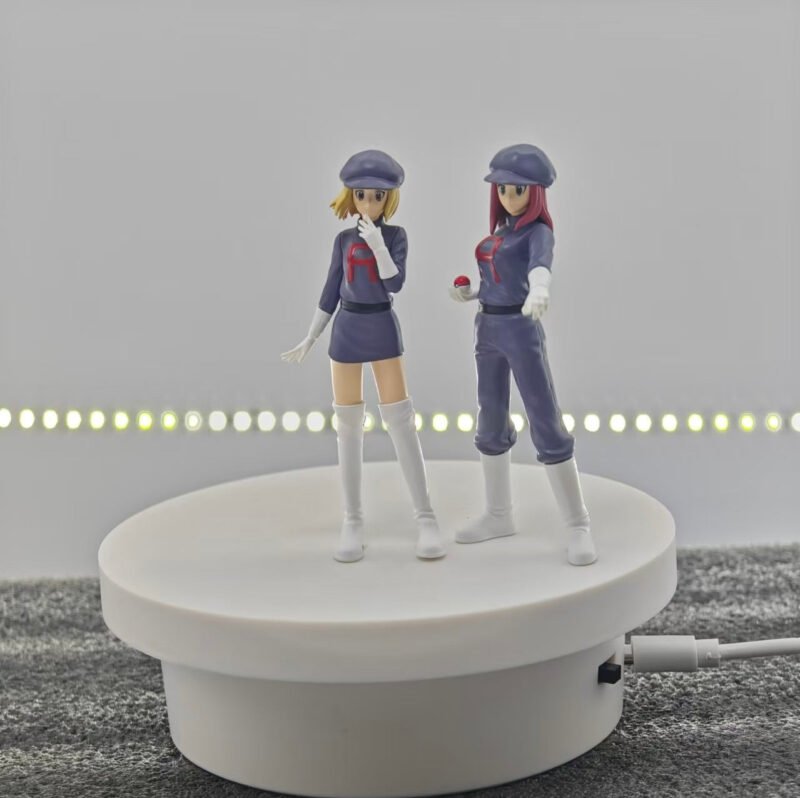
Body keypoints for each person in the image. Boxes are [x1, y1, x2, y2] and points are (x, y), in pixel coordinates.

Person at [282, 149, 446, 563]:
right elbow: (330, 291)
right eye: (361, 195)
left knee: (400, 421)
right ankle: (352, 519)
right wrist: (310, 337)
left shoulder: (396, 236)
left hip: (381, 325)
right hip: (347, 328)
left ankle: (425, 516)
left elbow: (395, 283)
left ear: (389, 198)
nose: (368, 204)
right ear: (350, 196)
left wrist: (377, 243)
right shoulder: (342, 241)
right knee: (348, 427)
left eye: (377, 196)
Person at [450, 143, 597, 566]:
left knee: (543, 416)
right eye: (502, 189)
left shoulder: (537, 233)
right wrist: (470, 291)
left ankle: (577, 524)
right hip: (487, 327)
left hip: (519, 326)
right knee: (490, 417)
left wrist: (540, 290)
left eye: (517, 190)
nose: (508, 197)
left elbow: (539, 267)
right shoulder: (501, 233)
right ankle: (499, 514)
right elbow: (495, 278)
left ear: (535, 193)